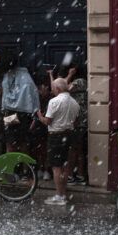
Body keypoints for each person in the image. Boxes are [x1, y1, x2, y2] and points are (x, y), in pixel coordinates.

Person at [36, 76, 80, 206]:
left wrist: (39, 115)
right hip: (69, 135)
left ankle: (59, 196)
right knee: (65, 167)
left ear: (57, 88)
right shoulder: (74, 103)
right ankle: (63, 194)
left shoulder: (54, 101)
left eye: (53, 88)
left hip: (55, 136)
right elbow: (76, 121)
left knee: (56, 167)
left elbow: (47, 121)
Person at [0, 53, 39, 155]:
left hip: (10, 113)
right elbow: (33, 94)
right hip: (25, 113)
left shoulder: (7, 76)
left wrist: (4, 107)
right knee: (24, 143)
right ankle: (25, 169)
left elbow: (5, 94)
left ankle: (9, 168)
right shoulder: (26, 77)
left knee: (10, 143)